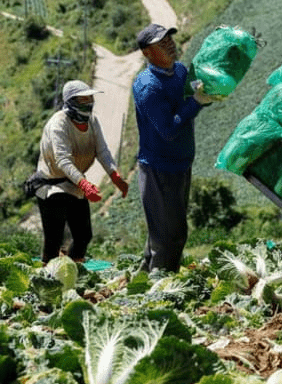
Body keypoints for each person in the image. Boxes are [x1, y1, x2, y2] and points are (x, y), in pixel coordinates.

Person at [132, 23, 216, 272]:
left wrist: (207, 95)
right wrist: (196, 104)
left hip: (180, 162)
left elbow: (192, 101)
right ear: (147, 53)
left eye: (170, 39)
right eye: (162, 43)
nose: (170, 45)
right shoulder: (149, 87)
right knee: (170, 236)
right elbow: (168, 129)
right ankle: (161, 288)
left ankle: (146, 278)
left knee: (167, 230)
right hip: (159, 167)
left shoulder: (179, 71)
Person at [34, 80, 129, 265]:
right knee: (54, 238)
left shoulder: (92, 121)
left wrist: (114, 175)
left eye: (90, 99)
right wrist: (85, 184)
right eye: (82, 100)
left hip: (75, 182)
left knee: (83, 235)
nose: (88, 104)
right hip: (52, 184)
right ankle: (47, 274)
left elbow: (102, 151)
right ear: (71, 103)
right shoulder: (58, 124)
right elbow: (63, 160)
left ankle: (73, 269)